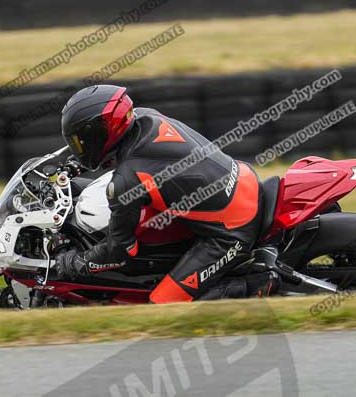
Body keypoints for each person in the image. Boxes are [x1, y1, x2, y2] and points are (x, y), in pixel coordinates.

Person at [53, 84, 279, 303]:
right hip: (244, 178)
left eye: (79, 142)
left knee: (164, 304)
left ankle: (255, 286)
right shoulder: (146, 117)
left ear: (97, 133)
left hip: (232, 231)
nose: (78, 148)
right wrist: (71, 165)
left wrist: (75, 263)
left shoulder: (126, 181)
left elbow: (121, 250)